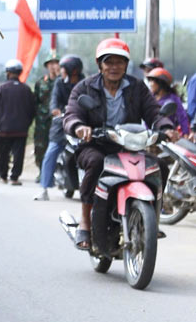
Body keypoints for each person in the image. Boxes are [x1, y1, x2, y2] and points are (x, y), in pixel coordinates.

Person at [63, 38, 176, 248]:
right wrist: (79, 126)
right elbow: (71, 113)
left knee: (158, 166)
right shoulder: (84, 88)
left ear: (126, 64)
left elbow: (153, 111)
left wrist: (166, 127)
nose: (114, 67)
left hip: (129, 146)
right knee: (96, 163)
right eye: (109, 62)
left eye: (119, 62)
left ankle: (151, 219)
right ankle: (86, 224)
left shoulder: (136, 87)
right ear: (100, 65)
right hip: (95, 144)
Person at [34, 55, 82, 200]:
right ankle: (44, 188)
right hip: (61, 123)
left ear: (73, 70)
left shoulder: (85, 83)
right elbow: (53, 100)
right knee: (51, 152)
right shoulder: (59, 83)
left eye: (63, 68)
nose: (60, 71)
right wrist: (55, 109)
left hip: (81, 123)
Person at [0, 59, 35, 185]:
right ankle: (14, 178)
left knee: (4, 153)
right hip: (21, 129)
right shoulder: (26, 90)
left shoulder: (1, 89)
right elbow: (32, 110)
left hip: (4, 129)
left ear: (8, 73)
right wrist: (27, 124)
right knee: (18, 154)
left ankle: (3, 176)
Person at [33, 56, 60, 179]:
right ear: (47, 66)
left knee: (56, 146)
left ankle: (56, 173)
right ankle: (41, 172)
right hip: (42, 120)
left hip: (58, 120)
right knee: (40, 146)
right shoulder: (41, 82)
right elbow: (35, 101)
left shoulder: (62, 81)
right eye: (51, 63)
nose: (53, 66)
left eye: (56, 63)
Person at [145, 67, 190, 135]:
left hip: (167, 135)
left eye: (152, 81)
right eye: (149, 81)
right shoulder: (150, 98)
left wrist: (186, 133)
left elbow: (182, 117)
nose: (150, 84)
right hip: (149, 135)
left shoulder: (173, 98)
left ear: (161, 83)